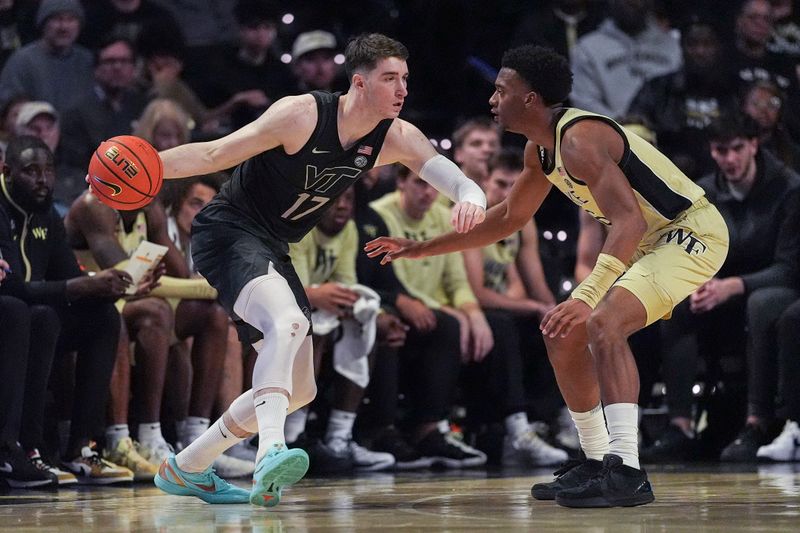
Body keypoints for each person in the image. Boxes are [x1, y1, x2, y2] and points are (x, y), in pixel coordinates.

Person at [365, 44, 730, 508]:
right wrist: (421, 247)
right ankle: (596, 461)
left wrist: (587, 295)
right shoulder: (541, 150)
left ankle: (628, 470)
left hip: (689, 232)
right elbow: (506, 219)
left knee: (603, 323)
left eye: (501, 90)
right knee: (560, 332)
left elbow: (629, 221)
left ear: (531, 98)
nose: (492, 99)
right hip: (646, 240)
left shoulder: (580, 139)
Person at [140, 33, 485, 507]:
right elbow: (213, 154)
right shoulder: (301, 115)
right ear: (359, 83)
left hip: (273, 246)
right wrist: (145, 167)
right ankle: (270, 450)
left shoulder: (395, 136)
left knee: (299, 388)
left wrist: (471, 198)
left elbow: (457, 180)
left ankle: (187, 466)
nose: (403, 89)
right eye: (390, 79)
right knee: (288, 322)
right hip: (228, 231)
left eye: (405, 78)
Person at [1, 136, 133, 484]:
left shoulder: (47, 214)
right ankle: (17, 449)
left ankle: (80, 448)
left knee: (103, 318)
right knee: (28, 313)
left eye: (48, 171)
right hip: (12, 317)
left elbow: (68, 278)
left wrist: (110, 288)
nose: (43, 180)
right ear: (7, 172)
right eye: (31, 171)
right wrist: (82, 286)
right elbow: (11, 286)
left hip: (32, 320)